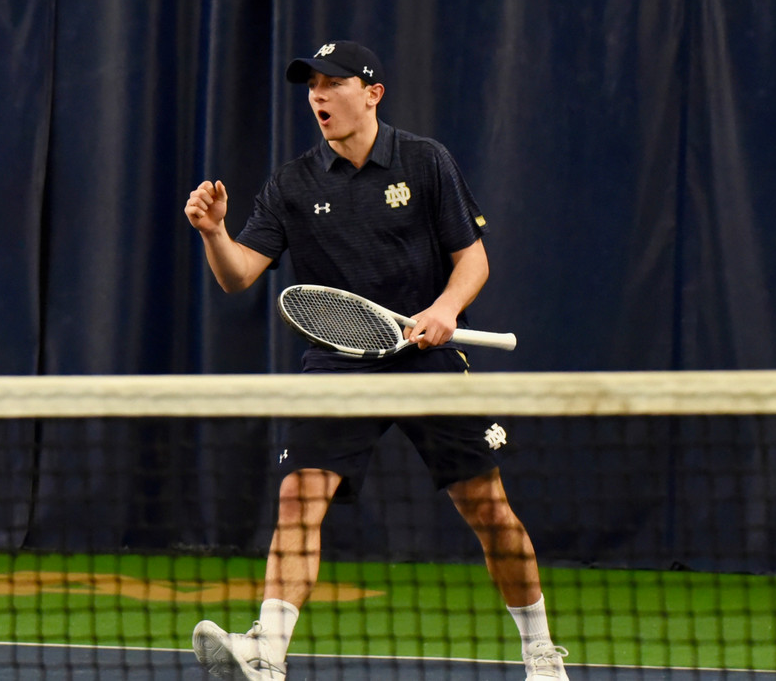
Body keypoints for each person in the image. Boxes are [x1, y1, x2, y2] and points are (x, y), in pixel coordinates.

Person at [184, 40, 569, 681]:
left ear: (372, 94)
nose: (318, 96)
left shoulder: (425, 161)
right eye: (311, 86)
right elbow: (238, 276)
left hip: (427, 358)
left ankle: (541, 653)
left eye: (332, 83)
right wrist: (215, 234)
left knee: (488, 509)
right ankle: (267, 653)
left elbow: (473, 259)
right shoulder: (291, 183)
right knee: (298, 497)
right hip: (340, 362)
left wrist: (445, 308)